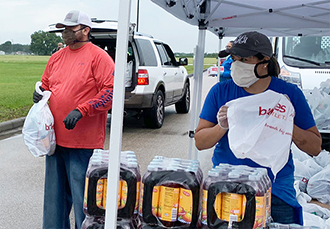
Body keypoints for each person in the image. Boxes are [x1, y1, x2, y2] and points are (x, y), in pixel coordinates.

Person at [194, 31, 322, 225]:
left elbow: (314, 147)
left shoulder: (289, 95)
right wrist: (222, 127)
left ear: (264, 61)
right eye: (233, 58)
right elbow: (200, 142)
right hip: (228, 190)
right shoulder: (220, 92)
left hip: (275, 191)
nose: (236, 65)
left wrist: (286, 121)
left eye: (244, 59)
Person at [33, 10, 115, 229]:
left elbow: (110, 92)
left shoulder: (99, 57)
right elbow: (46, 84)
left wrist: (82, 110)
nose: (65, 34)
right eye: (64, 29)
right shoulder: (56, 57)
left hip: (83, 144)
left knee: (83, 201)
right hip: (54, 141)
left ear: (85, 30)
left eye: (71, 29)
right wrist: (39, 91)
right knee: (54, 200)